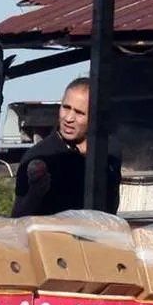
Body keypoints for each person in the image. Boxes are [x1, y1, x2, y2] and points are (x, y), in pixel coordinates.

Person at [10, 76, 122, 218]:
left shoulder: (110, 152)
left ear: (96, 116)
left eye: (79, 113)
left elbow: (112, 203)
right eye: (66, 108)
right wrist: (35, 193)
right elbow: (17, 220)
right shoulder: (40, 156)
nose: (69, 118)